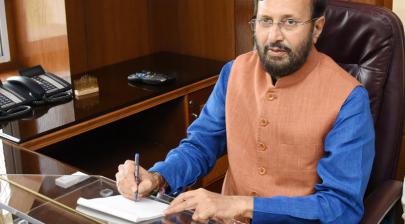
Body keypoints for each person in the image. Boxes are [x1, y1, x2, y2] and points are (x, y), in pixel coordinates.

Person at [115, 0, 375, 223]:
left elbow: (342, 207)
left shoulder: (349, 99)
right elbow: (200, 145)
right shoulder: (234, 71)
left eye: (289, 22)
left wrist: (241, 205)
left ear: (316, 28)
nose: (273, 36)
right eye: (265, 21)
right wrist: (158, 177)